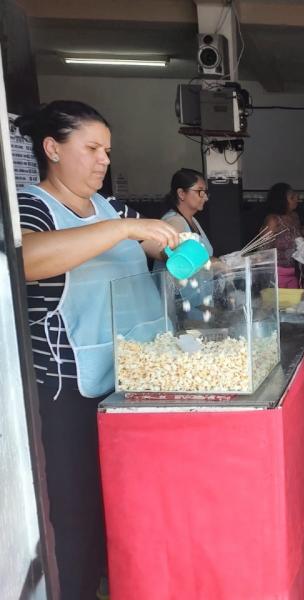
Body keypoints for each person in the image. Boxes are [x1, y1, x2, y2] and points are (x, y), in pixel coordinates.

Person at [15, 100, 180, 600]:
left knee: (122, 506)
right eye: (91, 148)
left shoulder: (112, 207)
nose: (103, 160)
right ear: (52, 149)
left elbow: (156, 247)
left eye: (106, 150)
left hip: (127, 383)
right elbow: (27, 259)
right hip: (68, 392)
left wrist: (177, 245)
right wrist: (127, 229)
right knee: (74, 512)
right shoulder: (32, 204)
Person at [153, 168, 213, 270]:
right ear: (181, 193)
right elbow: (180, 262)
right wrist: (217, 263)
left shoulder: (193, 220)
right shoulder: (174, 222)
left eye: (205, 192)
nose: (205, 197)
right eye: (200, 191)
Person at [261, 182, 301, 288]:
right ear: (282, 200)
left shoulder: (295, 218)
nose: (296, 199)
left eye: (295, 196)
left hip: (294, 272)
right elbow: (263, 251)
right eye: (292, 197)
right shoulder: (273, 220)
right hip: (276, 274)